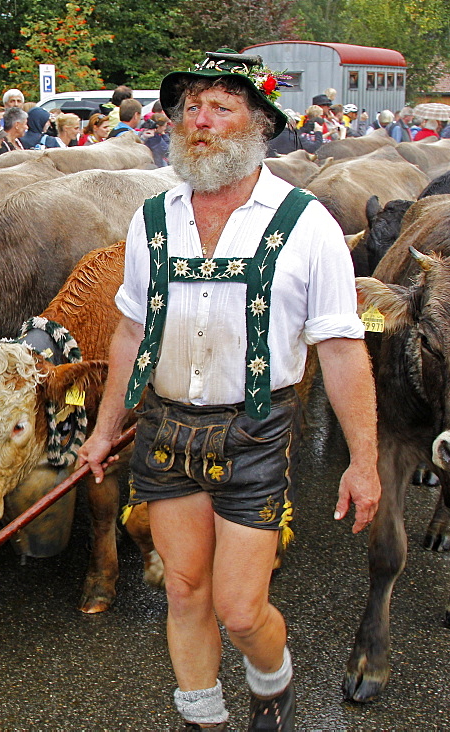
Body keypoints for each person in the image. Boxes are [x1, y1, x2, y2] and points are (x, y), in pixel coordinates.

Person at [75, 50, 380, 731]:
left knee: (241, 609)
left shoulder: (306, 223)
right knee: (183, 590)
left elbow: (340, 346)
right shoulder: (152, 219)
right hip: (166, 425)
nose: (200, 122)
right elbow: (129, 334)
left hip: (256, 429)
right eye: (190, 109)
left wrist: (362, 461)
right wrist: (101, 431)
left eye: (221, 107)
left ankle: (271, 681)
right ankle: (203, 718)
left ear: (260, 124)